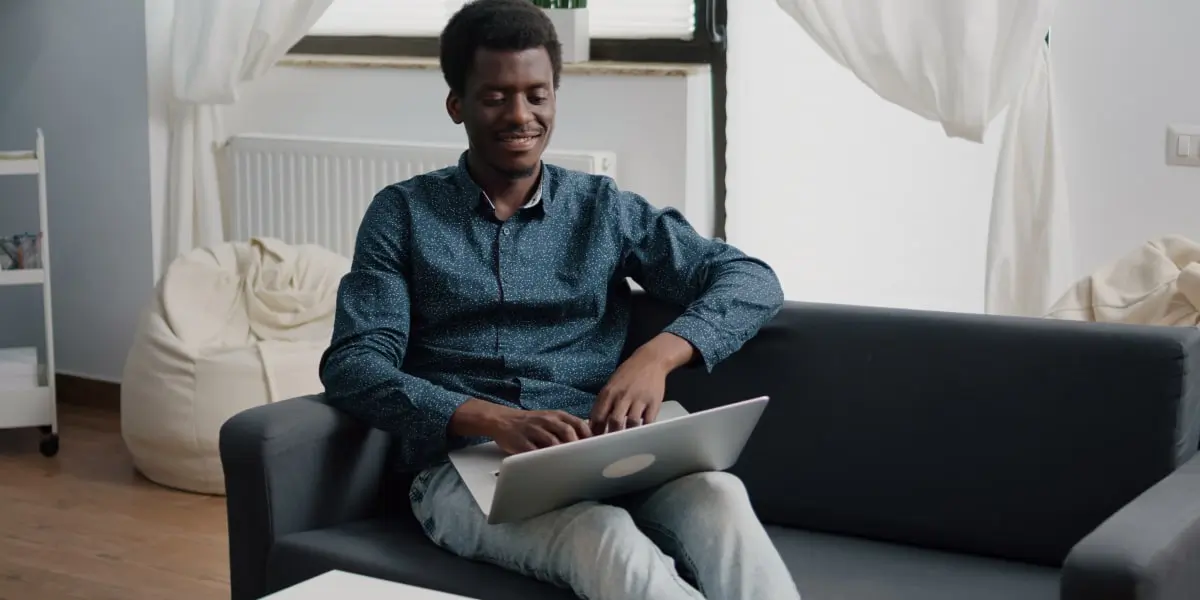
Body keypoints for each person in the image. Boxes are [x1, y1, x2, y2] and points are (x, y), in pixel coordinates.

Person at [319, 1, 800, 598]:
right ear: (456, 104)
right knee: (601, 534)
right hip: (463, 471)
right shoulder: (403, 215)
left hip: (602, 451)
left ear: (554, 98)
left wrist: (655, 358)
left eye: (537, 95)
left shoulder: (603, 207)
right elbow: (353, 365)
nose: (520, 115)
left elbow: (750, 278)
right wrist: (492, 418)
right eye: (495, 96)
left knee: (718, 494)